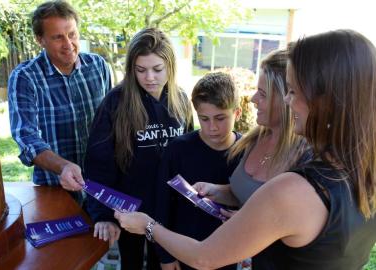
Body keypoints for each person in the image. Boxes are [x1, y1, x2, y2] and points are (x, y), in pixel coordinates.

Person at [114, 29, 376, 270]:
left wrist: (148, 225)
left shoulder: (293, 190)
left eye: (293, 92)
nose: (288, 101)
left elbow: (204, 257)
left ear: (325, 102)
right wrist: (226, 194)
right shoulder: (363, 168)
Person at [84, 28, 193, 270]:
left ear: (171, 67)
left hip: (168, 209)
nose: (150, 77)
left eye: (157, 69)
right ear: (132, 69)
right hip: (128, 209)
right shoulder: (116, 103)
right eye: (141, 70)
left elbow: (188, 156)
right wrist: (102, 215)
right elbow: (98, 163)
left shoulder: (182, 101)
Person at [193, 49, 309, 269]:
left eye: (263, 94)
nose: (254, 99)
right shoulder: (255, 138)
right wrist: (218, 191)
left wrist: (249, 223)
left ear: (287, 99)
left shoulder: (304, 156)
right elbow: (248, 194)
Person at [8, 0, 111, 197]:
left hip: (101, 185)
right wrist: (63, 167)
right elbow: (26, 137)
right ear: (40, 39)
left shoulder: (98, 66)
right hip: (55, 189)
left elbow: (112, 122)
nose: (68, 44)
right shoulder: (25, 77)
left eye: (72, 34)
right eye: (57, 37)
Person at [155, 72, 242, 270]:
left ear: (237, 113)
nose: (212, 127)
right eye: (204, 119)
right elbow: (162, 205)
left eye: (220, 118)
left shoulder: (249, 152)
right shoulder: (178, 150)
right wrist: (166, 256)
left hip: (232, 253)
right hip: (184, 251)